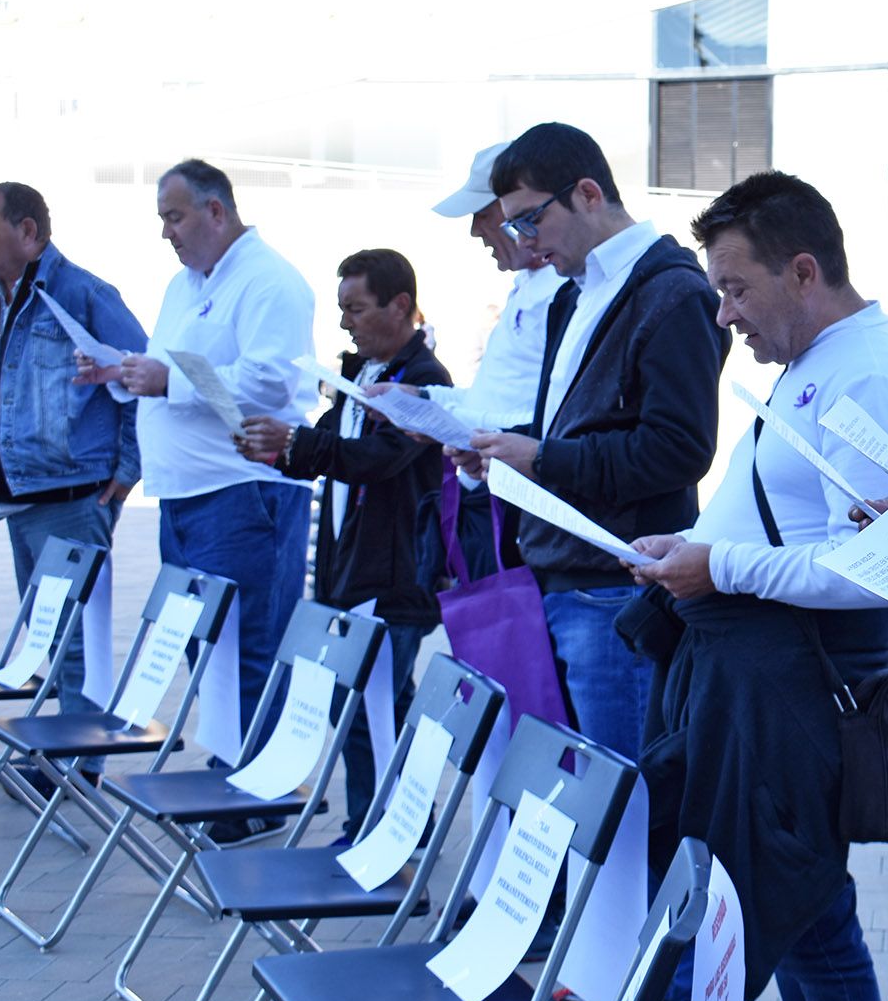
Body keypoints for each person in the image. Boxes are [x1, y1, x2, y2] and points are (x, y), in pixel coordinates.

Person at [628, 170, 888, 1001]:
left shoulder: (868, 372)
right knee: (788, 904)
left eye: (735, 288)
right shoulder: (814, 362)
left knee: (803, 902)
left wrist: (718, 566)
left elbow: (886, 567)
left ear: (803, 271)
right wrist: (698, 551)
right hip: (750, 671)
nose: (725, 315)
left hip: (798, 681)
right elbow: (785, 522)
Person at [449, 122, 726, 762]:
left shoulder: (673, 292)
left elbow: (680, 450)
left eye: (529, 220)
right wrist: (507, 448)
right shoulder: (572, 296)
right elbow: (573, 432)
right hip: (563, 579)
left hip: (614, 590)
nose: (523, 242)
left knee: (622, 810)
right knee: (581, 799)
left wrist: (539, 457)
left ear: (588, 194)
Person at [80, 158, 315, 839]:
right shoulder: (184, 285)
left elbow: (270, 385)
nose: (166, 234)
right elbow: (170, 372)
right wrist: (120, 374)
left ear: (217, 211)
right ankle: (232, 766)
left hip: (243, 493)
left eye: (174, 217)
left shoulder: (270, 281)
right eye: (162, 219)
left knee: (250, 645)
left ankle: (261, 792)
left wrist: (167, 381)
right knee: (205, 646)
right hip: (186, 494)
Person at [235, 249, 451, 846]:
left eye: (354, 308)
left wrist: (300, 444)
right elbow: (329, 450)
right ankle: (389, 827)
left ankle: (387, 832)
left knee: (364, 708)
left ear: (400, 305)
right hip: (351, 572)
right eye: (341, 310)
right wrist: (274, 446)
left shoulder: (426, 381)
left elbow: (380, 461)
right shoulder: (359, 374)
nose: (344, 323)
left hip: (395, 576)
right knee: (369, 707)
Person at [0, 183, 145, 759]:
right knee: (49, 635)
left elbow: (141, 377)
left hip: (70, 496)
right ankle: (63, 757)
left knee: (74, 639)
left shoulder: (84, 294)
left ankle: (78, 765)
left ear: (29, 233)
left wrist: (128, 467)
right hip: (18, 495)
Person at [382, 142, 564, 577]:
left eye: (481, 215)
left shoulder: (560, 291)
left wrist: (441, 412)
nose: (475, 231)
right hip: (490, 496)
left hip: (514, 507)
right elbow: (501, 396)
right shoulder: (529, 283)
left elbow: (547, 416)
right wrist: (425, 398)